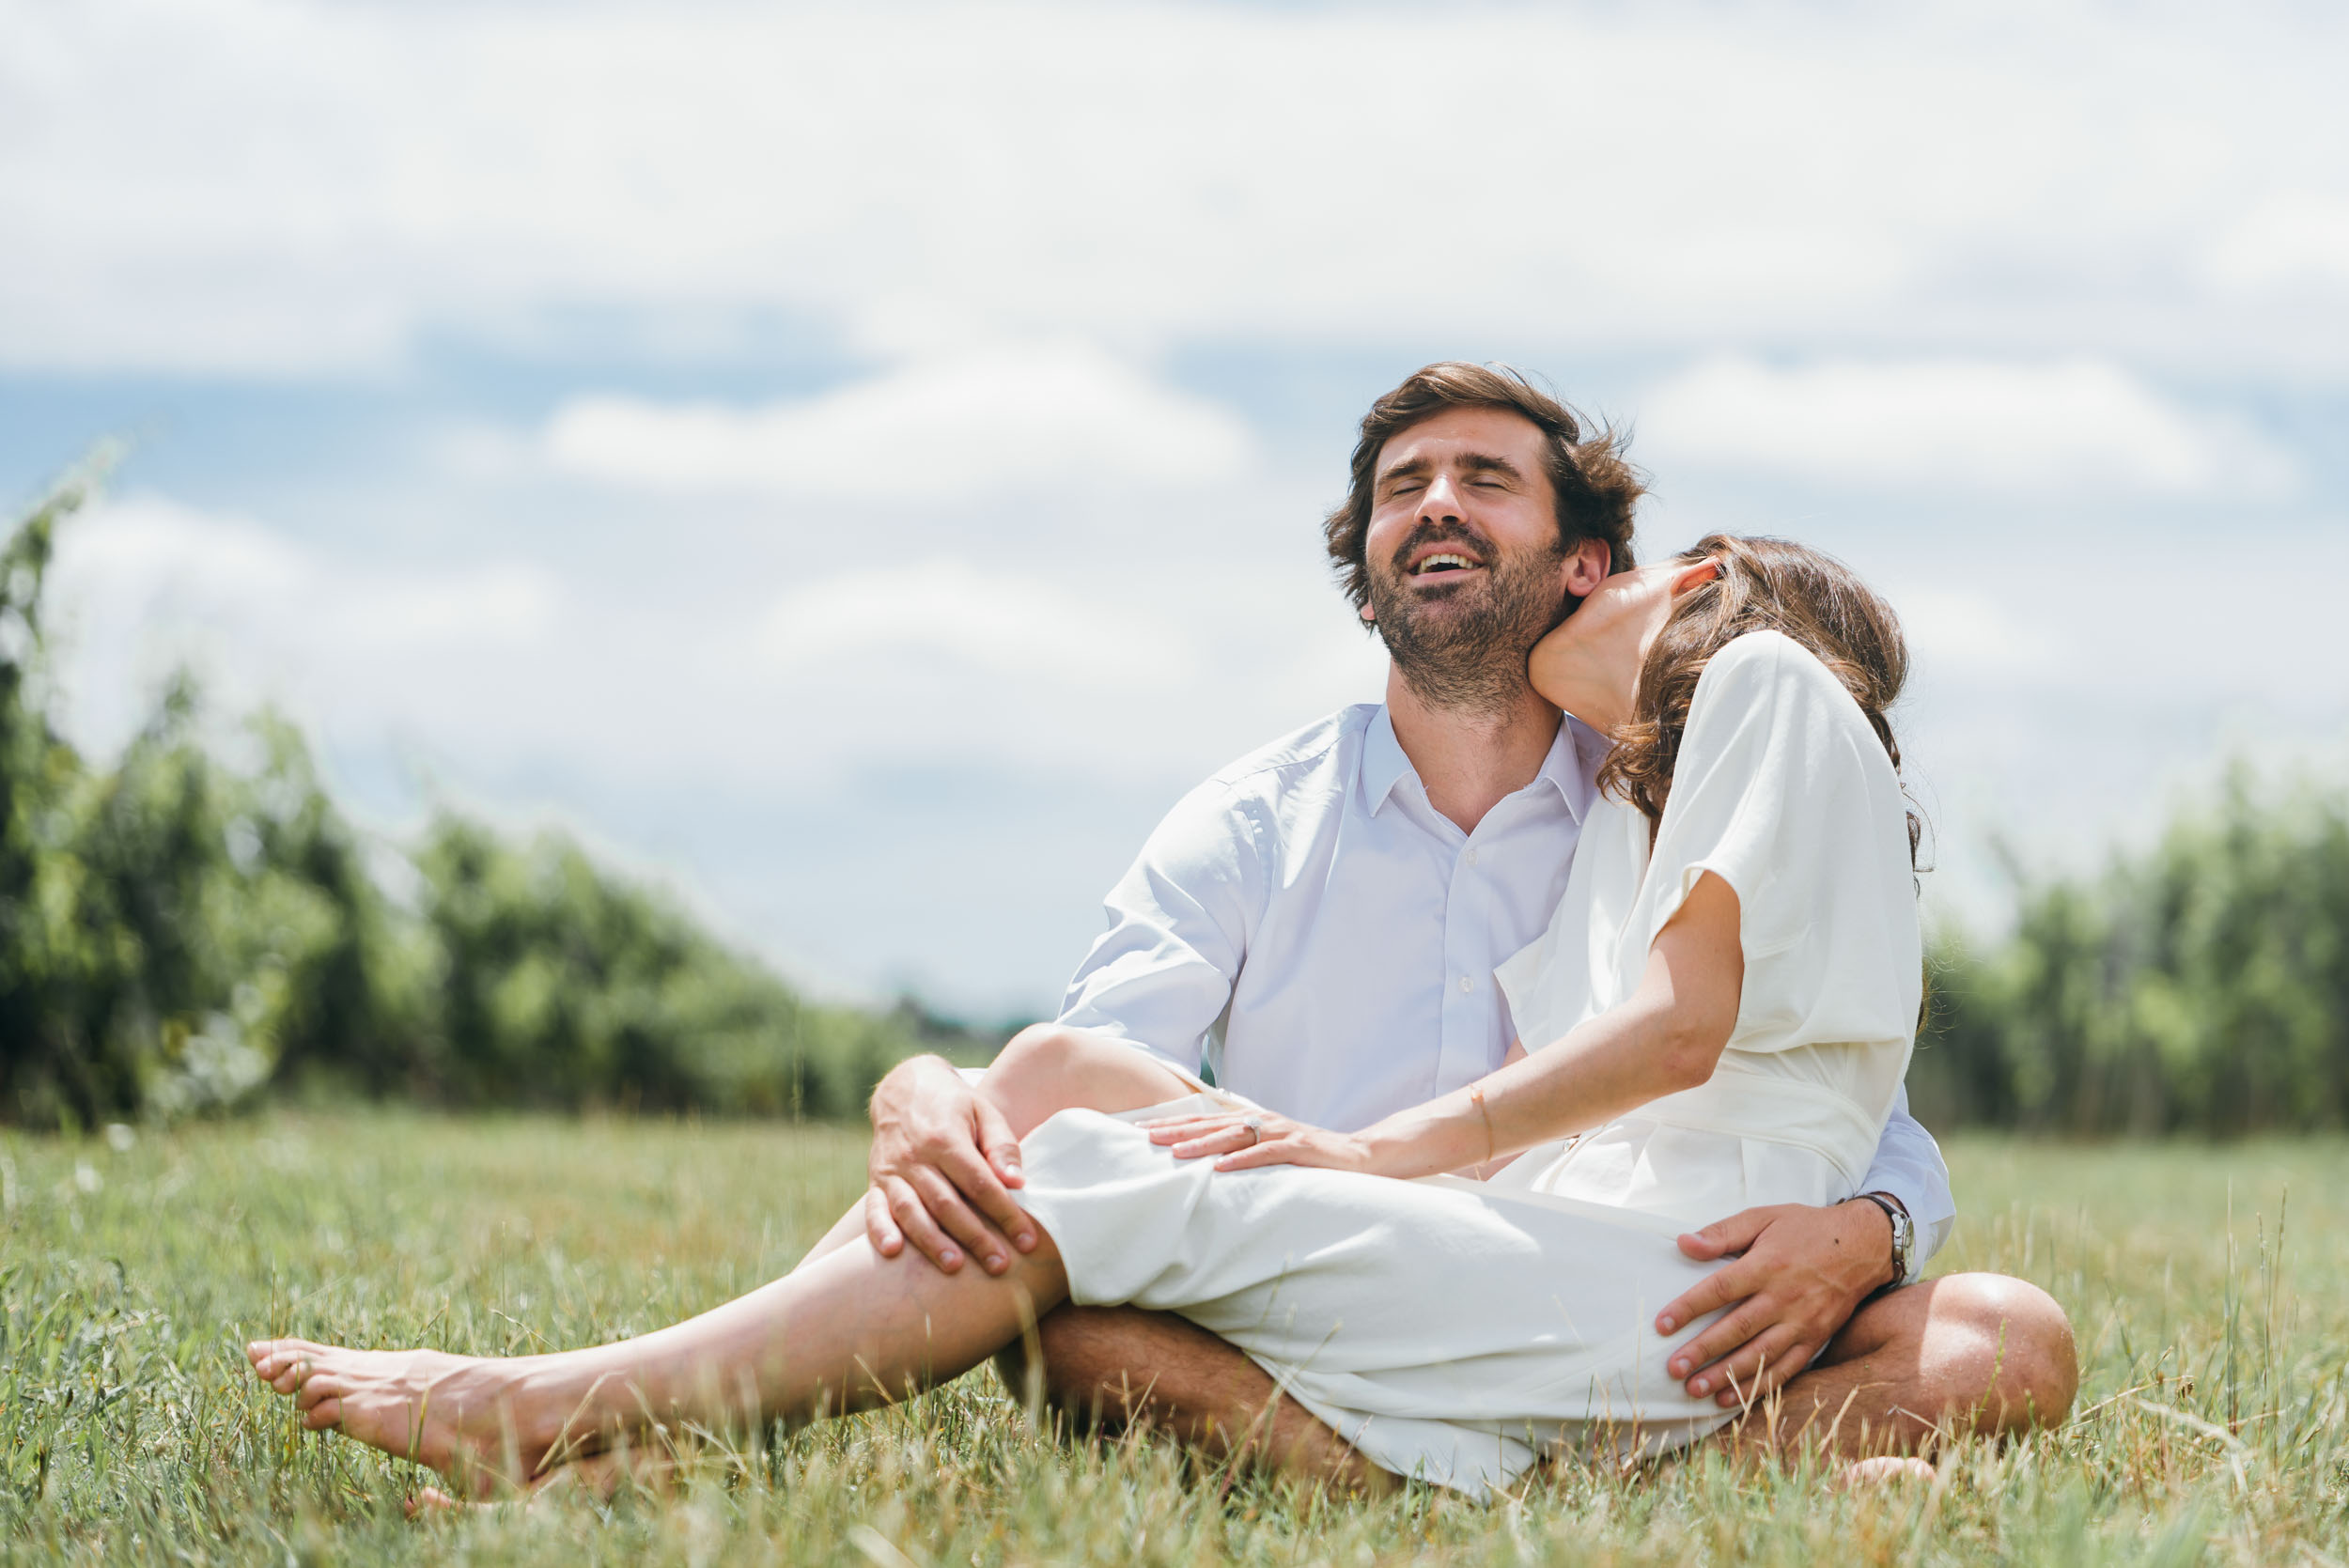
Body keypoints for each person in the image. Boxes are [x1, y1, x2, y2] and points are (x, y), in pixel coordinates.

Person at [248, 529, 2060, 1498]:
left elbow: (1697, 1040)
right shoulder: (1592, 811)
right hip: (1543, 1263)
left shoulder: (1758, 682)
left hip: (1641, 1281)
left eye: (1537, 532)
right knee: (1054, 1107)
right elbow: (1727, 1044)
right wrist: (925, 1080)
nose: (1496, 567)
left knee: (1091, 1176)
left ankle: (548, 1411)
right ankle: (1484, 1467)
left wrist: (1377, 1151)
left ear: (1661, 571)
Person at [855, 365, 2075, 1476]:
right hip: (1318, 1294)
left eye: (1483, 478)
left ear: (1583, 563)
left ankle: (1443, 1480)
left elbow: (1840, 1089)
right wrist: (921, 1082)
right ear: (1369, 572)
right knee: (1069, 1329)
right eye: (1402, 488)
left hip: (1625, 1301)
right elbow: (1089, 1089)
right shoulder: (1247, 823)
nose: (1436, 503)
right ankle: (1568, 1482)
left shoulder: (1655, 796)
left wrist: (1867, 1231)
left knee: (2002, 1339)